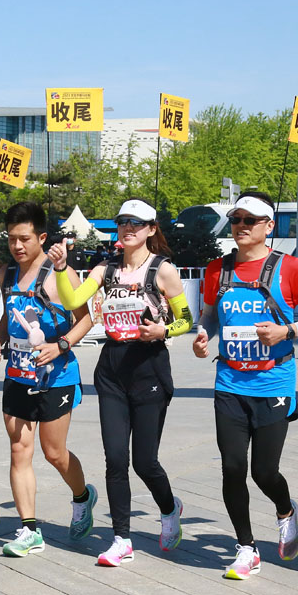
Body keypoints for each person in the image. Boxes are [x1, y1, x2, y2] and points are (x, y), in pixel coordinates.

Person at [191, 191, 298, 580]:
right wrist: (203, 336)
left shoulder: (291, 268)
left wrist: (287, 329)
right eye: (236, 219)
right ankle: (246, 547)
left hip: (273, 382)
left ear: (269, 226)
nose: (241, 226)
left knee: (264, 472)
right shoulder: (217, 269)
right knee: (233, 467)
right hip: (229, 382)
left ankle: (286, 510)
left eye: (251, 220)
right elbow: (210, 317)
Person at [52, 198, 194, 567]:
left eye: (136, 223)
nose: (127, 228)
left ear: (151, 229)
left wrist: (163, 330)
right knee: (115, 458)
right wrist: (63, 267)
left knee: (145, 462)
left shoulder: (163, 270)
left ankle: (168, 508)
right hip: (112, 366)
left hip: (149, 365)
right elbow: (74, 300)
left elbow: (187, 320)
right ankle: (121, 538)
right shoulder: (105, 268)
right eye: (122, 223)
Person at [0, 201, 96, 558]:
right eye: (12, 239)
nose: (17, 246)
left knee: (54, 453)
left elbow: (86, 318)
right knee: (19, 450)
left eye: (25, 239)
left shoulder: (56, 277)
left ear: (42, 237)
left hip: (57, 377)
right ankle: (30, 530)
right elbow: (10, 314)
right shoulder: (7, 274)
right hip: (18, 376)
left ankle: (82, 496)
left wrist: (60, 344)